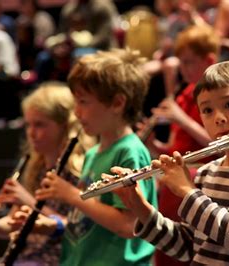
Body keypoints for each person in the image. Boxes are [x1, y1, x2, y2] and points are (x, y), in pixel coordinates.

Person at [112, 61, 229, 265]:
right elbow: (188, 247)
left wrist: (188, 191)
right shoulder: (207, 172)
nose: (219, 118)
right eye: (207, 110)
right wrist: (140, 207)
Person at [29, 49, 158, 265]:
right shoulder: (92, 153)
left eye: (83, 102)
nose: (76, 113)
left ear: (117, 103)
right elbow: (85, 219)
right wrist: (50, 224)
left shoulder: (129, 152)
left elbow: (129, 224)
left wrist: (71, 194)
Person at [138, 23, 216, 266]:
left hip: (201, 183)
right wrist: (153, 144)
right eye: (181, 62)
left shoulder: (216, 97)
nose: (183, 69)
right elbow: (174, 148)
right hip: (176, 179)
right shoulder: (184, 95)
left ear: (209, 60)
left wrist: (179, 117)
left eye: (189, 62)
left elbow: (217, 145)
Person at [0, 82, 93, 265]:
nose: (31, 133)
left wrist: (28, 200)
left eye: (40, 125)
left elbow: (79, 226)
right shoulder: (35, 167)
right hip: (27, 257)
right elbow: (14, 223)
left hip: (57, 259)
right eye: (28, 125)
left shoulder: (79, 171)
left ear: (65, 126)